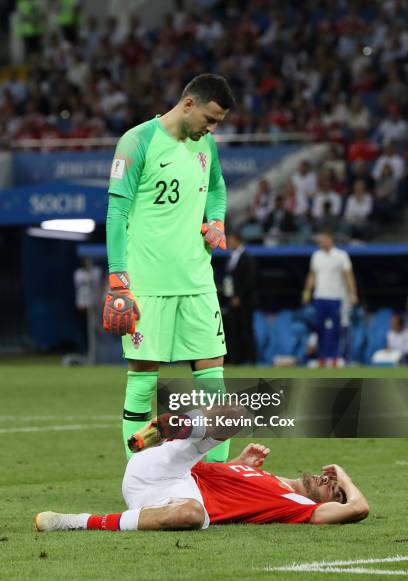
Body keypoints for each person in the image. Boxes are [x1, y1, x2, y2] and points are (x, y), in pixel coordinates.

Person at [102, 74, 236, 463]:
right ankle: (140, 480)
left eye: (218, 124)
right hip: (147, 285)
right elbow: (116, 213)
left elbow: (217, 188)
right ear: (189, 104)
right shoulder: (136, 141)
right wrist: (117, 280)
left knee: (214, 386)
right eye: (210, 119)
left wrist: (217, 221)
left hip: (197, 282)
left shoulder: (205, 144)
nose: (211, 129)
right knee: (143, 385)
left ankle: (216, 483)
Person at [35, 427, 369, 532]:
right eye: (330, 478)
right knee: (233, 415)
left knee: (193, 516)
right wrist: (239, 463)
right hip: (161, 468)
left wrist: (346, 476)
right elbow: (214, 479)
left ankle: (74, 521)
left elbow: (359, 509)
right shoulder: (268, 477)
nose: (328, 480)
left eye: (333, 490)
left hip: (167, 498)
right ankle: (164, 429)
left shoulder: (297, 506)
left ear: (323, 503)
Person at [302, 232, 358, 366]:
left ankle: (334, 358)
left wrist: (353, 294)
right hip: (320, 297)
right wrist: (306, 292)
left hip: (336, 297)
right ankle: (322, 357)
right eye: (319, 241)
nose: (321, 243)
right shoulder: (316, 256)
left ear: (330, 240)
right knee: (320, 328)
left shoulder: (341, 255)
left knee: (335, 329)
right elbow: (312, 275)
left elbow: (348, 275)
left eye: (323, 240)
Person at [222, 231, 257, 364]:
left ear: (237, 240)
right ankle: (237, 359)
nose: (229, 243)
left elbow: (249, 280)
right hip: (232, 301)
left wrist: (239, 296)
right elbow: (229, 278)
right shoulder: (231, 257)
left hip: (245, 302)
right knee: (233, 330)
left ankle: (251, 359)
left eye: (230, 240)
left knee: (247, 329)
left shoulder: (247, 258)